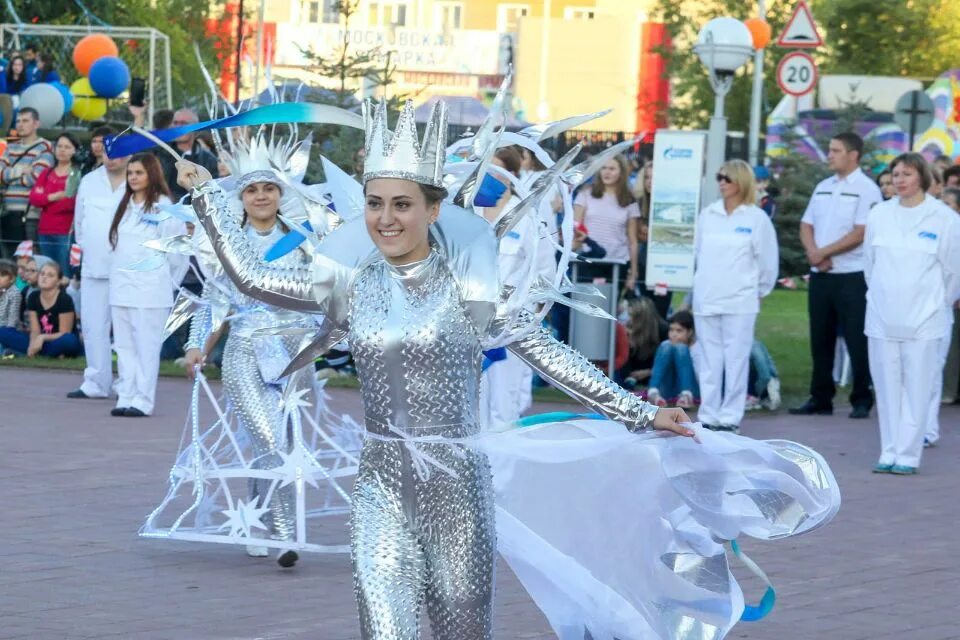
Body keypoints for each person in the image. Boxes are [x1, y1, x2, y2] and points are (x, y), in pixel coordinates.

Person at [155, 97, 839, 640]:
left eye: (401, 204)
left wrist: (638, 410)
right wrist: (211, 195)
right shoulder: (349, 284)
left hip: (458, 487)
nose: (385, 219)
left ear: (432, 209)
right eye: (374, 204)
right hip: (381, 484)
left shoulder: (470, 289)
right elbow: (247, 277)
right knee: (384, 625)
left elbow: (549, 353)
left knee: (460, 630)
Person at [182, 159, 312, 566]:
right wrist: (196, 343)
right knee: (268, 440)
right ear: (241, 197)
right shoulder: (230, 243)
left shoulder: (305, 242)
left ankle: (261, 522)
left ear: (280, 194)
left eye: (268, 189)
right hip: (244, 353)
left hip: (293, 354)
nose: (261, 196)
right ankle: (287, 536)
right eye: (252, 189)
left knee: (282, 443)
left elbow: (324, 295)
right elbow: (214, 301)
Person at [864, 153, 960, 475]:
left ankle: (908, 454)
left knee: (917, 386)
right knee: (887, 387)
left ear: (922, 177)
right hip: (882, 317)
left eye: (906, 173)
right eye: (895, 174)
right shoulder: (879, 214)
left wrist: (934, 304)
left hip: (924, 319)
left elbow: (952, 273)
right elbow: (870, 266)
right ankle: (888, 450)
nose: (899, 180)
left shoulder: (943, 218)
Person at [790, 132, 881, 419]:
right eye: (829, 149)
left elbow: (861, 231)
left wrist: (824, 252)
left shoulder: (867, 189)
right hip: (822, 275)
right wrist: (814, 252)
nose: (829, 155)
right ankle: (820, 397)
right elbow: (806, 224)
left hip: (851, 275)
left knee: (856, 339)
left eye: (835, 150)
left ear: (853, 155)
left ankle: (862, 398)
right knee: (821, 337)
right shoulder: (823, 186)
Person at [693, 159, 778, 432]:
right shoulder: (708, 214)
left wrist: (759, 291)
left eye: (726, 178)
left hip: (740, 300)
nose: (721, 182)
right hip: (707, 297)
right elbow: (698, 253)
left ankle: (730, 415)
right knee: (709, 359)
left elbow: (767, 263)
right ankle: (708, 413)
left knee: (736, 358)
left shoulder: (756, 218)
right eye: (719, 177)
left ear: (741, 182)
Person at [107, 153, 186, 417]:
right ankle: (126, 395)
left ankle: (143, 399)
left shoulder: (164, 207)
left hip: (151, 291)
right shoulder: (123, 205)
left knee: (147, 348)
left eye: (139, 172)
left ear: (152, 174)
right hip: (121, 289)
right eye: (130, 173)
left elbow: (177, 253)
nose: (133, 178)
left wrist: (165, 281)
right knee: (124, 347)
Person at [67, 129, 127, 400]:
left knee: (127, 329)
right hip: (94, 265)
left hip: (128, 268)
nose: (110, 158)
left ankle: (128, 382)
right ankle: (95, 381)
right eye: (106, 152)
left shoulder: (139, 181)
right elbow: (80, 224)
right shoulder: (89, 181)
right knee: (93, 325)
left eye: (116, 152)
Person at [573, 155, 640, 290]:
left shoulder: (629, 201)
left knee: (610, 308)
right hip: (589, 260)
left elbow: (632, 241)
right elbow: (575, 230)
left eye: (612, 168)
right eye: (603, 168)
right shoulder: (585, 195)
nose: (607, 172)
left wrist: (633, 272)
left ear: (621, 172)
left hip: (617, 262)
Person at [0, 108, 53, 257]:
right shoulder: (11, 147)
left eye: (25, 121)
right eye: (18, 121)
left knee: (29, 260)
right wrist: (22, 170)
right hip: (7, 213)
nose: (20, 125)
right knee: (8, 261)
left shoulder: (45, 147)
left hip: (29, 215)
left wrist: (9, 175)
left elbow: (35, 178)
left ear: (36, 124)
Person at [0, 260, 82, 357]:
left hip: (57, 340)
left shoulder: (64, 299)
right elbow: (35, 330)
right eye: (42, 274)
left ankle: (29, 353)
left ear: (58, 281)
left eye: (50, 275)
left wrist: (42, 338)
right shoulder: (33, 297)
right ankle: (44, 354)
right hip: (41, 342)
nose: (44, 277)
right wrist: (33, 344)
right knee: (3, 331)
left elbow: (64, 332)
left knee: (69, 340)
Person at [29, 132, 81, 275]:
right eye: (59, 146)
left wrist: (44, 197)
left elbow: (69, 204)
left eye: (67, 147)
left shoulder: (76, 174)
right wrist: (54, 197)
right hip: (44, 230)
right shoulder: (46, 173)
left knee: (64, 273)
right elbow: (34, 199)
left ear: (74, 150)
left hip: (65, 231)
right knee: (46, 272)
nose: (62, 150)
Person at [157, 108, 219, 203]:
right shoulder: (159, 153)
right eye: (175, 122)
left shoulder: (209, 160)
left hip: (195, 212)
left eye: (183, 123)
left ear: (195, 128)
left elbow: (212, 193)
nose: (178, 127)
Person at [646, 309, 698, 409]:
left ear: (690, 332)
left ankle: (686, 395)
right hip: (669, 388)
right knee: (666, 345)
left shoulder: (698, 349)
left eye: (679, 331)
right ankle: (653, 393)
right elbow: (657, 371)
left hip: (692, 388)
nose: (673, 334)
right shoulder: (667, 345)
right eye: (671, 330)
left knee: (681, 348)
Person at [618, 295, 667, 390]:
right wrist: (627, 343)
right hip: (633, 379)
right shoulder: (629, 328)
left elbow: (667, 364)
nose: (629, 319)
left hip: (656, 379)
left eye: (631, 315)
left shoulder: (663, 330)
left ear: (641, 317)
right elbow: (625, 364)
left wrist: (648, 372)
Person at [0, 258, 19, 330]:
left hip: (7, 330)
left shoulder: (14, 293)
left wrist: (8, 332)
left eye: (2, 275)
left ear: (12, 278)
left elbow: (13, 318)